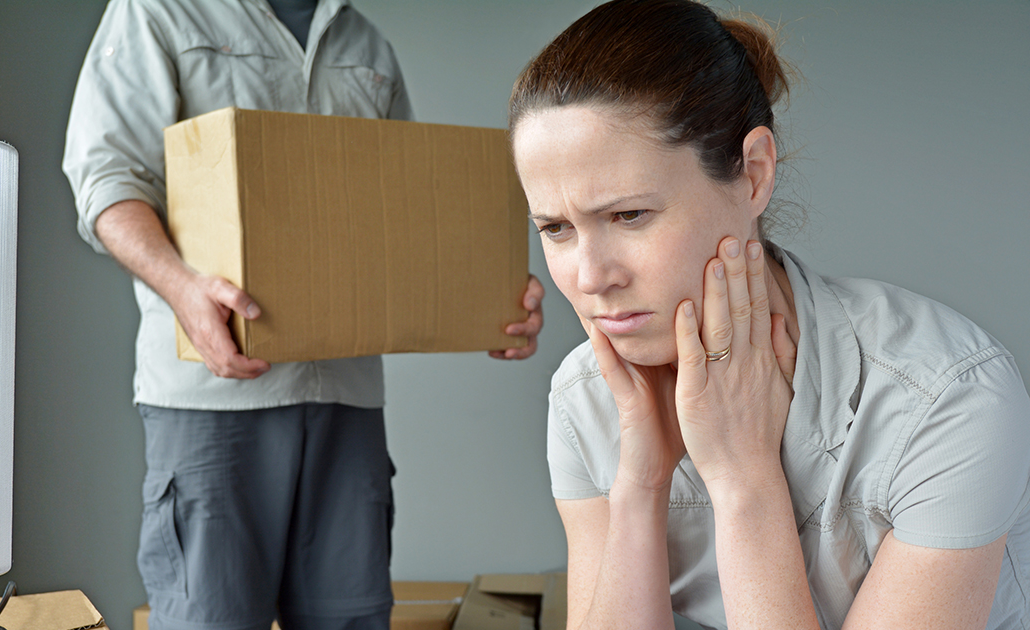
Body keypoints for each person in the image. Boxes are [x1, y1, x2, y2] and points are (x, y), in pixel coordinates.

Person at [507, 1, 1030, 628]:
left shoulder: (947, 398)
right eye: (556, 229)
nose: (592, 277)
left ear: (754, 175)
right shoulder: (584, 398)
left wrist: (743, 476)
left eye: (630, 215)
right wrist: (641, 484)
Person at [62, 2, 544, 630]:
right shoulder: (157, 12)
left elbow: (403, 201)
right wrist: (182, 288)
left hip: (346, 397)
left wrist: (487, 297)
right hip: (213, 397)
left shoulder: (365, 43)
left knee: (350, 621)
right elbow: (108, 178)